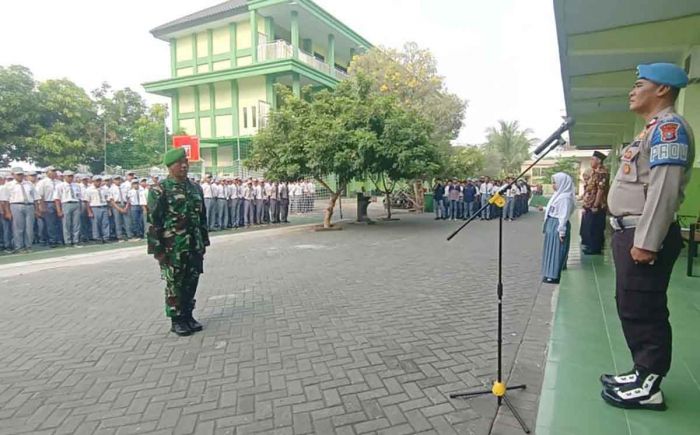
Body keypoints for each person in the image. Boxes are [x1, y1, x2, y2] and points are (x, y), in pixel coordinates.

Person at [600, 63, 694, 411]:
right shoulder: (649, 130)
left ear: (663, 90)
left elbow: (664, 189)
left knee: (645, 309)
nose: (632, 90)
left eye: (640, 84)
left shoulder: (670, 128)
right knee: (631, 305)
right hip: (632, 233)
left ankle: (650, 386)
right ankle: (641, 373)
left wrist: (647, 240)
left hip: (643, 235)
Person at [147, 148, 210, 336]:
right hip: (172, 247)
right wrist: (157, 251)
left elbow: (202, 217)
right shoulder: (159, 190)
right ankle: (176, 319)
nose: (184, 166)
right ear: (169, 166)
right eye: (179, 163)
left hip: (194, 244)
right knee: (174, 283)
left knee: (192, 280)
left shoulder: (195, 188)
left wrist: (204, 241)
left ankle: (188, 315)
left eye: (186, 162)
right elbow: (153, 222)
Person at [541, 172, 574, 284]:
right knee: (551, 249)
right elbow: (555, 209)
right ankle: (549, 273)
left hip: (557, 225)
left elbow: (563, 216)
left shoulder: (565, 198)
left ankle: (554, 275)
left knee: (556, 250)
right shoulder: (558, 195)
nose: (553, 185)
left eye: (555, 182)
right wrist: (545, 208)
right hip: (552, 223)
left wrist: (561, 232)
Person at [580, 151, 609, 254]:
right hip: (590, 204)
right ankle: (591, 245)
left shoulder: (602, 173)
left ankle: (595, 248)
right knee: (590, 226)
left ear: (599, 161)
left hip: (597, 206)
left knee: (596, 227)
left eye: (592, 159)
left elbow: (600, 190)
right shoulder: (594, 172)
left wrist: (596, 204)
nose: (590, 161)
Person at [5, 167, 40, 253]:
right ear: (13, 175)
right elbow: (5, 200)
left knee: (29, 228)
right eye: (18, 174)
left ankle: (28, 246)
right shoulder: (9, 185)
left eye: (21, 174)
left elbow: (35, 198)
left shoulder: (29, 184)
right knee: (18, 228)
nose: (20, 176)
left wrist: (37, 210)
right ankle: (19, 247)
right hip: (16, 205)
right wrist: (8, 212)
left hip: (29, 205)